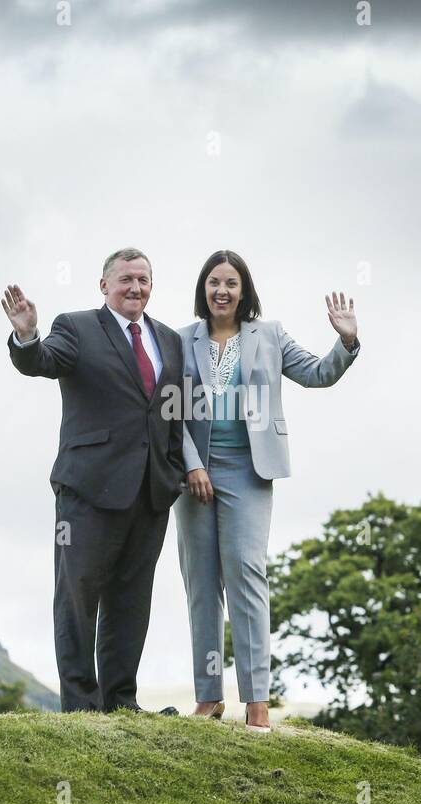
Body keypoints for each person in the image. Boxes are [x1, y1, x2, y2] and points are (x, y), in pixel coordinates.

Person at [176, 250, 360, 732]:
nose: (222, 290)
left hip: (249, 471)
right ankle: (209, 697)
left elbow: (318, 374)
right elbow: (166, 410)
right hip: (193, 474)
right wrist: (192, 465)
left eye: (231, 283)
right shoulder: (179, 340)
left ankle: (256, 703)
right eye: (214, 282)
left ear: (244, 290)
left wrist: (346, 340)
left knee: (247, 581)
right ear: (203, 289)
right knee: (201, 588)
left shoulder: (270, 335)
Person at [3, 247, 184, 714]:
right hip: (88, 489)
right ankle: (82, 705)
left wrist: (175, 470)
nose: (135, 287)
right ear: (104, 285)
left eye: (143, 279)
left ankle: (121, 702)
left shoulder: (169, 340)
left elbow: (173, 412)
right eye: (125, 279)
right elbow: (42, 361)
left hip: (150, 492)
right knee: (78, 599)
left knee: (131, 600)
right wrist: (26, 335)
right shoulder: (77, 327)